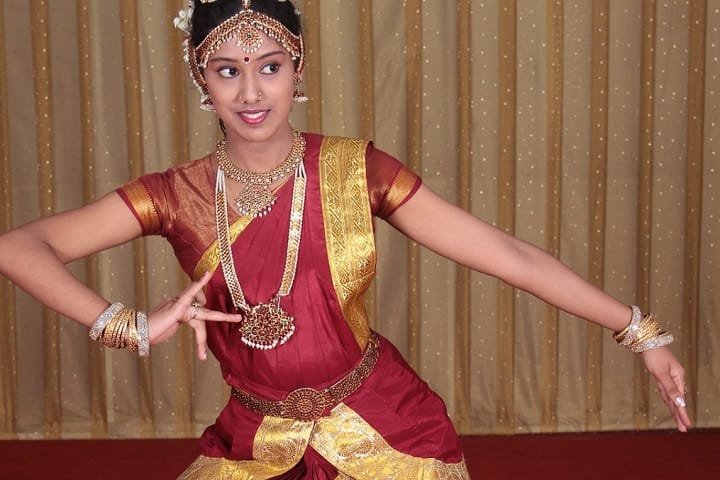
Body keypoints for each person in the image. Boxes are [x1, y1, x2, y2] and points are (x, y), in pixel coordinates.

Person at [0, 0, 691, 478]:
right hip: (256, 437)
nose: (251, 92)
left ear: (297, 72)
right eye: (228, 69)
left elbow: (508, 256)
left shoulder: (356, 171)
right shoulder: (174, 194)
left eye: (270, 66)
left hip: (388, 426)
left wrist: (639, 331)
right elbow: (17, 247)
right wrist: (129, 325)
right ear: (200, 78)